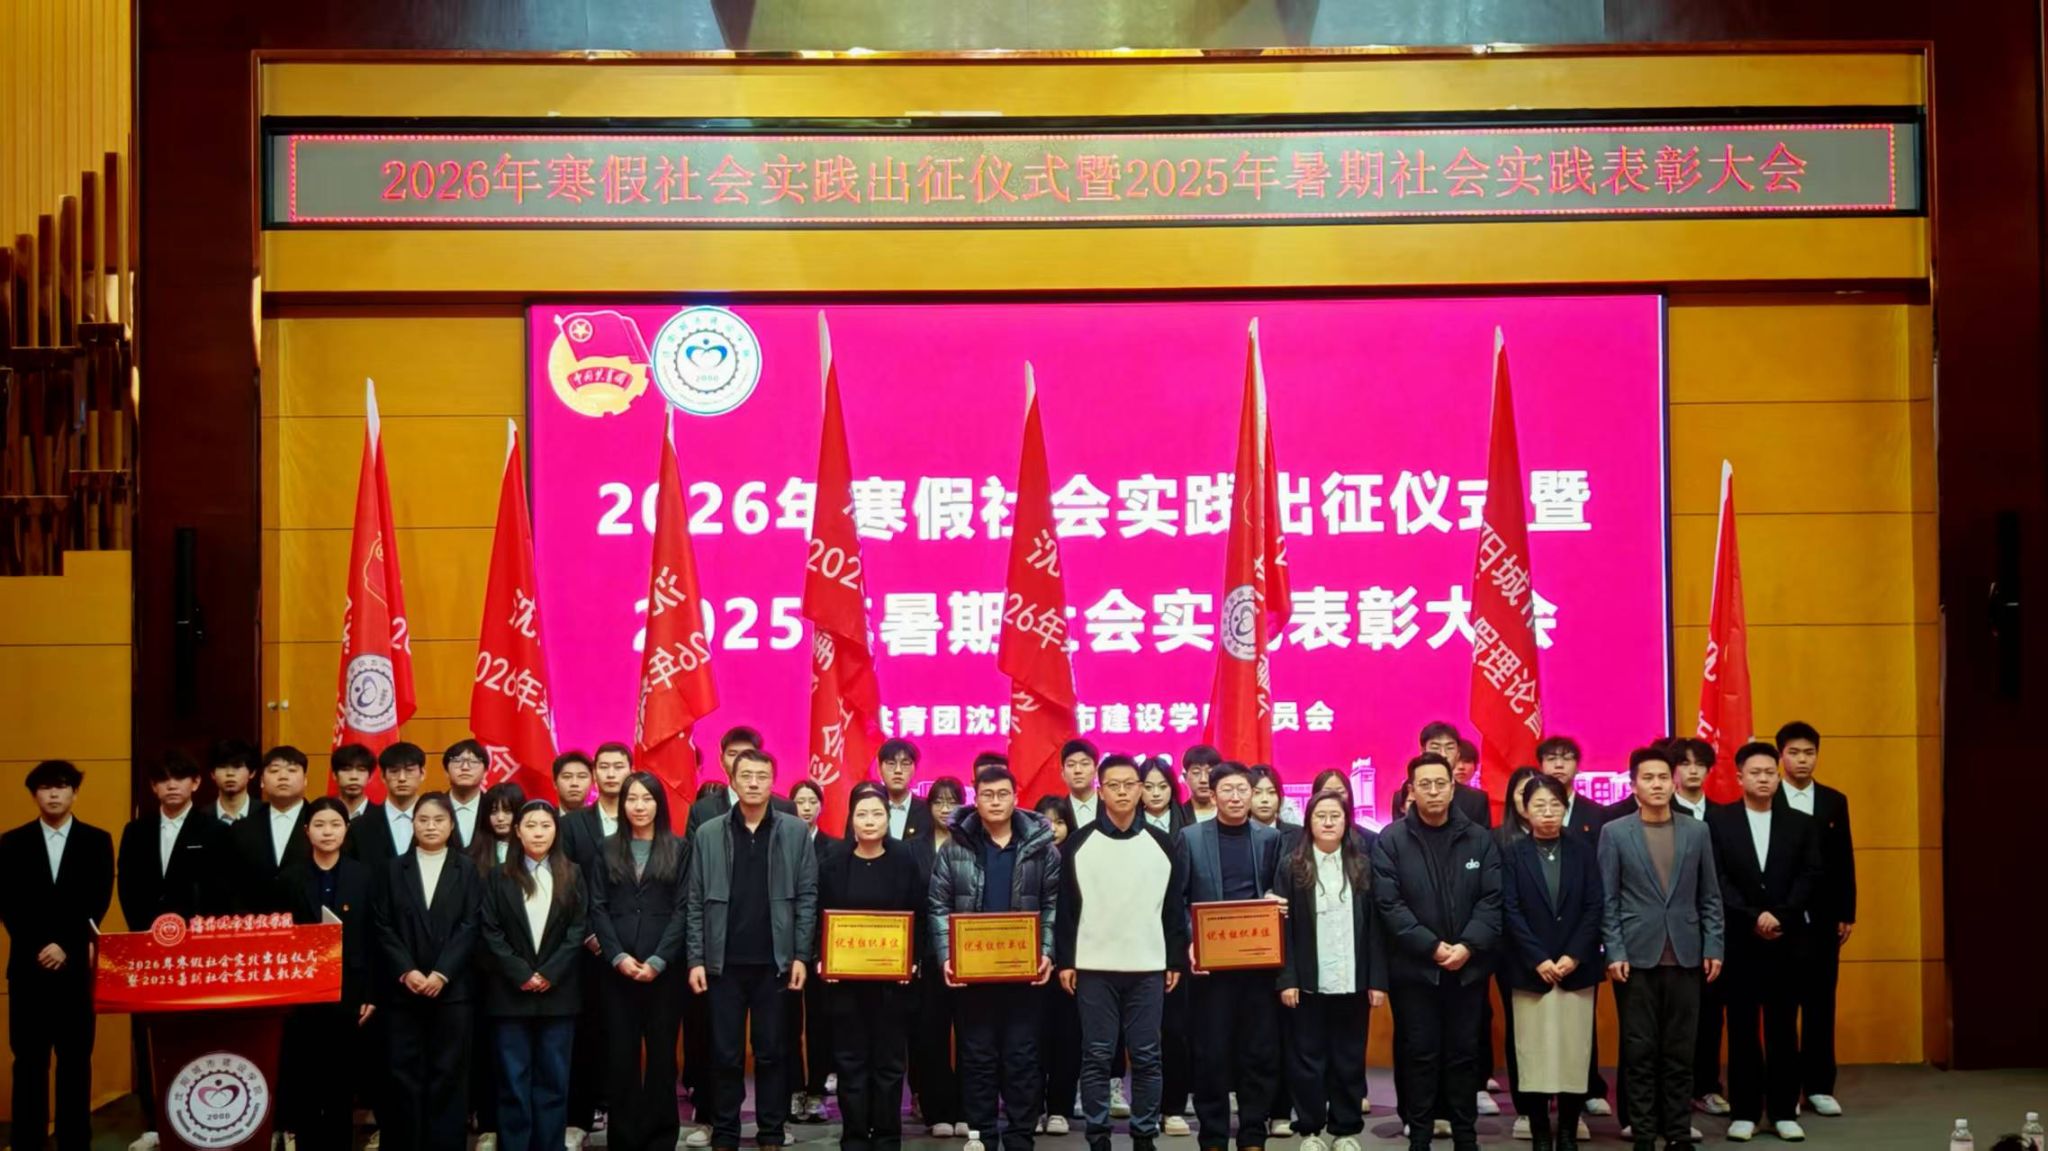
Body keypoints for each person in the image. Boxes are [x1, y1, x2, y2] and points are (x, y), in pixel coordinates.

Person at [687, 748, 820, 1151]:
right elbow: (694, 900)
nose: (754, 783)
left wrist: (801, 955)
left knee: (771, 1053)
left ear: (772, 781)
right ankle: (725, 1132)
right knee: (724, 1054)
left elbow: (807, 897)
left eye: (762, 776)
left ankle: (771, 1132)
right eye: (746, 775)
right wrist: (696, 958)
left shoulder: (794, 831)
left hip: (775, 962)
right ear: (732, 778)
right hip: (723, 963)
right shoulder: (709, 833)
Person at [1057, 754, 1189, 1151]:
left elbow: (1172, 907)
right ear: (1101, 791)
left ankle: (1144, 1135)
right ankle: (1098, 1137)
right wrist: (1066, 961)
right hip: (1094, 967)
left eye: (1130, 785)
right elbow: (1067, 909)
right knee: (1097, 1055)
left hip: (1148, 966)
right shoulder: (1079, 843)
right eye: (1113, 785)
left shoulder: (1161, 843)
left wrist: (1174, 959)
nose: (1122, 792)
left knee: (1147, 1056)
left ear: (1141, 790)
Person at [1371, 753, 1500, 1151]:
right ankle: (1420, 1136)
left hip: (1467, 969)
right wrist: (1432, 947)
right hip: (1415, 972)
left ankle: (1466, 1136)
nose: (1433, 791)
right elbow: (1389, 905)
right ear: (1411, 790)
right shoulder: (1391, 839)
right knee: (1419, 1055)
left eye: (1440, 784)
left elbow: (1492, 900)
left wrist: (1466, 946)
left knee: (1464, 1056)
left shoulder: (1479, 838)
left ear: (1452, 788)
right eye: (1424, 784)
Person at [1599, 747, 1725, 1151]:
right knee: (1639, 1050)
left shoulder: (1697, 831)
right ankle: (1642, 1132)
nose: (1656, 785)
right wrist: (1614, 951)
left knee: (1680, 1050)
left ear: (1674, 783)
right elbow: (1608, 900)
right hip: (1635, 957)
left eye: (1662, 778)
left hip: (1687, 955)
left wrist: (1714, 945)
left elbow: (1710, 896)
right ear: (1633, 785)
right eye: (1647, 778)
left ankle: (1677, 1132)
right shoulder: (1615, 832)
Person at [932, 766, 1060, 1151]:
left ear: (1015, 797)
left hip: (1024, 974)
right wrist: (947, 956)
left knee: (1023, 1058)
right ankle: (981, 1136)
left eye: (1003, 794)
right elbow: (938, 905)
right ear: (976, 799)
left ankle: (1020, 1137)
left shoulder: (1042, 847)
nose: (995, 802)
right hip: (974, 974)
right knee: (977, 1058)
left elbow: (1053, 905)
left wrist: (1046, 952)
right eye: (987, 795)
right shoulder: (955, 847)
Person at [1707, 742, 1823, 1143]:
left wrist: (1781, 914)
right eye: (1755, 773)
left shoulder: (1801, 824)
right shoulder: (1719, 821)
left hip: (1786, 940)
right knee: (1741, 1028)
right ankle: (1744, 1111)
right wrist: (1752, 915)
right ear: (1739, 777)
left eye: (1769, 773)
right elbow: (1717, 878)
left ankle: (1783, 1110)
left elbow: (1810, 875)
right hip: (1740, 940)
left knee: (1783, 1028)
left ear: (1778, 776)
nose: (1763, 779)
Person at [0, 760, 114, 1151]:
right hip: (28, 968)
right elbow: (8, 903)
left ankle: (75, 1142)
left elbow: (98, 898)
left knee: (75, 1060)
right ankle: (28, 1142)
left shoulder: (97, 840)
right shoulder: (11, 843)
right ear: (34, 795)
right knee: (29, 1061)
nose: (53, 794)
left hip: (75, 968)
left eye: (62, 786)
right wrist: (39, 945)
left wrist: (66, 944)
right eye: (45, 787)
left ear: (74, 793)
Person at [369, 791, 483, 1151]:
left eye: (439, 820)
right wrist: (407, 971)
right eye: (423, 820)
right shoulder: (392, 869)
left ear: (451, 825)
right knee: (402, 1074)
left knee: (449, 1076)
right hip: (403, 993)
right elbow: (382, 925)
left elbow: (472, 924)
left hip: (453, 992)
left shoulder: (467, 869)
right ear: (413, 825)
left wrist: (442, 974)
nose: (430, 826)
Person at [1274, 791, 1387, 1151]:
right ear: (1308, 822)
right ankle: (1310, 1131)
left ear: (1346, 821)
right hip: (1308, 983)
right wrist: (1288, 979)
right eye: (1320, 815)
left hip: (1353, 981)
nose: (1327, 822)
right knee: (1307, 1060)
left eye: (1335, 816)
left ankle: (1345, 1131)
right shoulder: (1292, 867)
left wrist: (1376, 980)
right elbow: (1283, 931)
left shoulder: (1363, 866)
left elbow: (1376, 929)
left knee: (1349, 1060)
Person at [1179, 764, 1284, 1151]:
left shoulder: (1270, 838)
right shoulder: (1190, 838)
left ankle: (1253, 1133)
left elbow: (1277, 889)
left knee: (1258, 1052)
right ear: (1213, 794)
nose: (1236, 797)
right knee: (1211, 1054)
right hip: (1211, 967)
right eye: (1228, 790)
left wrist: (1276, 901)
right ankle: (1212, 1137)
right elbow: (1178, 900)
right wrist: (1191, 940)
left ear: (1253, 794)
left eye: (1243, 789)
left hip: (1258, 965)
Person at [589, 772, 692, 1151]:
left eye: (647, 798)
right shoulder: (606, 848)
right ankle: (625, 1138)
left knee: (663, 1057)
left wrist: (659, 959)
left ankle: (661, 1138)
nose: (639, 806)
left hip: (664, 973)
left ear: (658, 804)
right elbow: (597, 907)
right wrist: (617, 956)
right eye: (632, 799)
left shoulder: (679, 848)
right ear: (622, 804)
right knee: (622, 1057)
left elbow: (684, 908)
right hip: (617, 972)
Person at [1500, 776, 1603, 1151]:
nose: (1547, 813)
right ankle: (1541, 1133)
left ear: (1565, 808)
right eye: (1539, 805)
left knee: (1574, 1053)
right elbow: (1509, 910)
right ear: (1525, 810)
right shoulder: (1512, 854)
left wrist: (1573, 955)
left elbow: (1594, 906)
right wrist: (1539, 958)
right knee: (1534, 1056)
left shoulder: (1583, 850)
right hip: (1531, 970)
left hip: (1577, 969)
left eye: (1554, 805)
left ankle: (1568, 1132)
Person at [820, 783, 925, 1151]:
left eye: (877, 814)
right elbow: (820, 917)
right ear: (851, 819)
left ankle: (886, 1138)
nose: (869, 821)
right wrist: (823, 957)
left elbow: (919, 916)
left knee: (889, 1066)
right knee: (850, 1064)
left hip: (891, 986)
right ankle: (853, 1138)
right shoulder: (833, 863)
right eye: (862, 814)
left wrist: (912, 962)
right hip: (845, 985)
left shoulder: (905, 861)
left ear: (888, 819)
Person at [480, 801, 589, 1151]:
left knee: (554, 1082)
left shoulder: (572, 873)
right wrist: (522, 973)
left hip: (559, 994)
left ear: (556, 830)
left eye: (545, 825)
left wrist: (550, 973)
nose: (538, 833)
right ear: (517, 831)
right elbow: (490, 930)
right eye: (530, 825)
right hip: (510, 994)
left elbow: (578, 929)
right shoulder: (498, 876)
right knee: (512, 1081)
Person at [279, 797, 374, 1151]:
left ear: (346, 829)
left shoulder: (364, 876)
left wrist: (370, 993)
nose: (327, 832)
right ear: (307, 831)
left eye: (335, 824)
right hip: (303, 994)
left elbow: (373, 937)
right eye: (319, 825)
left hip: (349, 992)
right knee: (306, 1083)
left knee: (340, 1084)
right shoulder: (289, 878)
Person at [1773, 720, 1855, 1120]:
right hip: (1782, 917)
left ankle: (1820, 1086)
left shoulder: (1833, 801)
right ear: (1781, 756)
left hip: (1823, 918)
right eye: (1794, 753)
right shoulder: (1767, 799)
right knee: (1783, 1006)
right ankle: (1784, 1089)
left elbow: (1844, 859)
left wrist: (1846, 911)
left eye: (1809, 753)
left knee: (1821, 1002)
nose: (1802, 760)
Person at [560, 742, 631, 1145]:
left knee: (624, 1037)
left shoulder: (641, 816)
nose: (611, 773)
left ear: (630, 770)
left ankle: (625, 1118)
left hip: (633, 947)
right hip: (588, 949)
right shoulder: (573, 825)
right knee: (586, 1035)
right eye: (603, 767)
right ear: (594, 775)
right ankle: (579, 1120)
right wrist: (590, 934)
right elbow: (567, 885)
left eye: (618, 766)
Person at [911, 775, 969, 1137]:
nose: (945, 808)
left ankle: (965, 1109)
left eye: (953, 801)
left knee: (969, 1036)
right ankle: (937, 1111)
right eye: (938, 801)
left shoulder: (972, 844)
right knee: (930, 1035)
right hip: (928, 956)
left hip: (967, 955)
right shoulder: (912, 849)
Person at [1030, 795, 1082, 1136]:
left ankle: (1060, 1108)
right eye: (1046, 822)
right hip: (1032, 962)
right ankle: (1032, 1107)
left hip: (1071, 962)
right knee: (1032, 1039)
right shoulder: (1028, 859)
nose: (1053, 829)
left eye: (1060, 822)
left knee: (1067, 1038)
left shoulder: (1080, 859)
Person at [789, 777, 835, 1124]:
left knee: (821, 1022)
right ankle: (793, 1091)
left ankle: (817, 1091)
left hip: (823, 948)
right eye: (800, 801)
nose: (806, 807)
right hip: (786, 947)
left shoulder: (834, 848)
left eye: (812, 801)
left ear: (821, 806)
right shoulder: (781, 842)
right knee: (787, 1023)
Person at [229, 744, 314, 911]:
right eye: (274, 770)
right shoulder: (241, 828)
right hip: (256, 920)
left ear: (305, 780)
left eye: (291, 770)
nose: (283, 776)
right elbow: (232, 883)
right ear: (262, 781)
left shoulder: (321, 822)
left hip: (308, 920)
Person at [685, 726, 798, 834]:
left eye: (746, 754)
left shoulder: (784, 808)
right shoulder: (702, 810)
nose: (739, 761)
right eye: (733, 754)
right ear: (722, 760)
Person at [348, 741, 428, 868]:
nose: (402, 778)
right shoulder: (360, 826)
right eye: (394, 771)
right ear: (383, 776)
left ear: (422, 774)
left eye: (409, 770)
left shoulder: (440, 821)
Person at [1418, 723, 1491, 828]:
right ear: (1422, 752)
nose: (1443, 754)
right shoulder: (1409, 795)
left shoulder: (1476, 800)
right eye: (1435, 747)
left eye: (1450, 748)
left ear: (1458, 754)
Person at [876, 737, 937, 845]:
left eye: (905, 764)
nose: (898, 771)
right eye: (891, 764)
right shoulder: (867, 807)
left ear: (915, 769)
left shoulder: (928, 810)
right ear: (879, 769)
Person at [444, 739, 491, 848]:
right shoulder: (435, 807)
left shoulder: (492, 808)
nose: (465, 767)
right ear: (446, 772)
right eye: (457, 761)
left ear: (485, 772)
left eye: (473, 762)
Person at [207, 738, 258, 824]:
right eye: (223, 767)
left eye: (237, 767)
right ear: (212, 774)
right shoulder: (200, 819)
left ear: (252, 773)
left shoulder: (266, 815)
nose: (230, 773)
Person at [1061, 739, 1103, 829]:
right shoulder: (1058, 811)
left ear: (1096, 770)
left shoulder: (1110, 806)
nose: (1078, 770)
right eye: (1071, 765)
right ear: (1063, 773)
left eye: (1085, 764)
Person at [1140, 757, 1188, 835]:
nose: (1156, 794)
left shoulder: (1187, 818)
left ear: (1172, 787)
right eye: (1148, 787)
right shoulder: (1129, 823)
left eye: (1163, 786)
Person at [333, 743, 377, 821]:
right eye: (346, 769)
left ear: (370, 776)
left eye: (361, 770)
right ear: (334, 775)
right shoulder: (321, 814)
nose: (354, 777)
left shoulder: (384, 817)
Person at [1179, 745, 1222, 824]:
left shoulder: (1230, 812)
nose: (1203, 780)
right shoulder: (1177, 815)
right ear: (1185, 777)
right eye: (1196, 773)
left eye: (1209, 772)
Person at [1246, 764, 1289, 830]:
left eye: (1271, 792)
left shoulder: (1298, 833)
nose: (1264, 799)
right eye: (1257, 793)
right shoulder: (1234, 834)